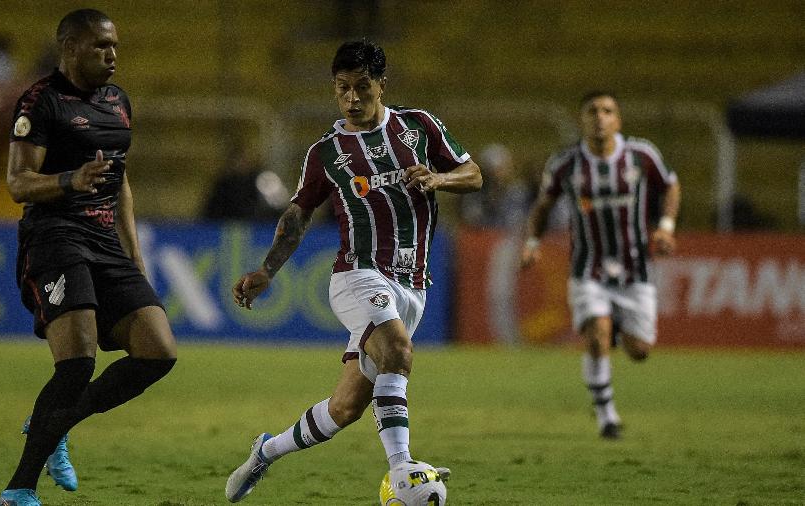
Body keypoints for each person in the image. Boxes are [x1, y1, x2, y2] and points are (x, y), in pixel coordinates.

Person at [225, 39, 482, 502]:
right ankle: (402, 470)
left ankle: (266, 451)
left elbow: (473, 174)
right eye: (342, 88)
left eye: (362, 86)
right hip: (356, 275)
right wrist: (268, 270)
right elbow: (297, 216)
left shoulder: (418, 127)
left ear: (381, 84)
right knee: (398, 352)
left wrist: (437, 178)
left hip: (412, 284)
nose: (351, 98)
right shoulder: (326, 153)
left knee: (345, 408)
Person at [0, 9, 177, 506]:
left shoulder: (119, 102)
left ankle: (54, 423)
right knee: (77, 364)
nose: (113, 54)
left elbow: (121, 184)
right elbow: (17, 183)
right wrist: (68, 181)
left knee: (159, 352)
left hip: (103, 244)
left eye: (114, 45)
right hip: (54, 238)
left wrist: (135, 259)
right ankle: (19, 489)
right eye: (101, 46)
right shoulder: (41, 101)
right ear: (70, 48)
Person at [521, 91, 681, 439]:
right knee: (597, 334)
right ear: (583, 120)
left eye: (608, 111)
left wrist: (666, 227)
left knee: (640, 351)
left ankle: (616, 326)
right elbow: (543, 207)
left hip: (634, 271)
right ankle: (607, 416)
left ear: (618, 120)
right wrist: (532, 243)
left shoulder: (641, 155)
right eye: (592, 111)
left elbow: (670, 186)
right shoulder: (566, 164)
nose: (600, 117)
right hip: (587, 270)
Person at [460, 143, 530, 231]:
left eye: (505, 168)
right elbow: (472, 222)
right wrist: (490, 202)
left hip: (512, 238)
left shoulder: (518, 192)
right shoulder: (474, 194)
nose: (500, 175)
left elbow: (521, 221)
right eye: (497, 170)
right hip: (485, 238)